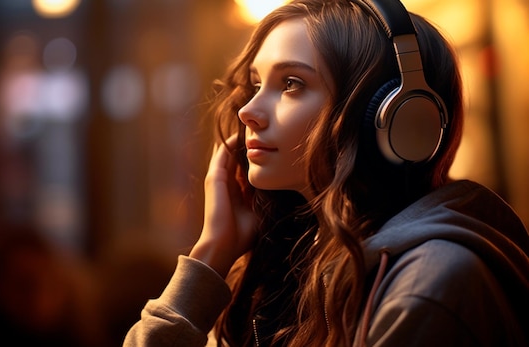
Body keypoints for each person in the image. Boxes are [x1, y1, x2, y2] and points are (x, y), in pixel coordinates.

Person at [124, 0, 529, 346]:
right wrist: (211, 255)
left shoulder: (431, 286)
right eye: (255, 83)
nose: (247, 112)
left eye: (292, 83)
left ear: (396, 117)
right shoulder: (296, 264)